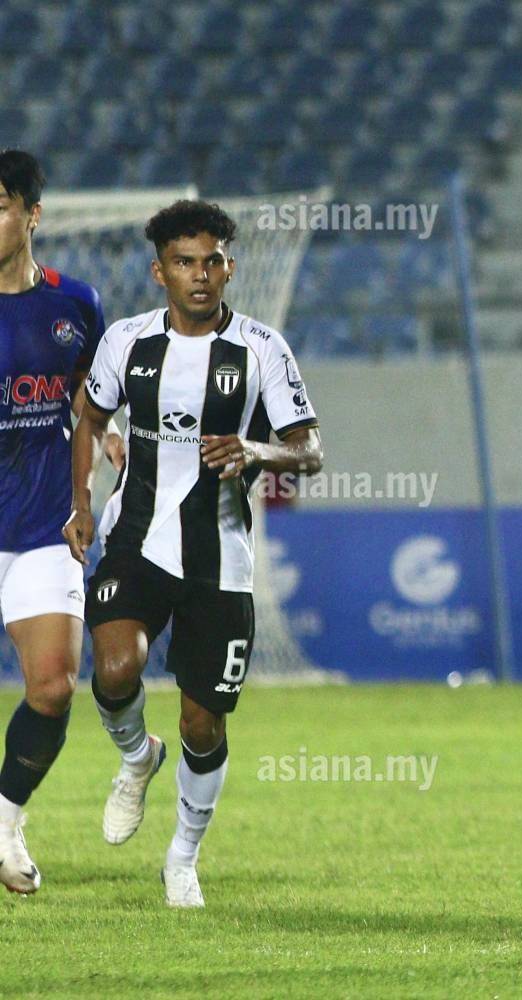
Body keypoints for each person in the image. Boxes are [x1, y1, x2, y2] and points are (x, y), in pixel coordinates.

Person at [64, 200, 324, 908]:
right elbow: (89, 418)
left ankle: (182, 857)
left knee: (202, 724)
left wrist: (256, 449)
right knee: (115, 668)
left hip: (221, 556)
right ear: (161, 273)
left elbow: (309, 450)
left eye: (212, 261)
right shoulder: (126, 342)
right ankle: (135, 757)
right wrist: (81, 503)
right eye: (184, 263)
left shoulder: (262, 349)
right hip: (136, 538)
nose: (200, 275)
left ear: (230, 268)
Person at [0, 149, 111, 894]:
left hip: (43, 521)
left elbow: (87, 401)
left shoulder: (76, 305)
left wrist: (104, 444)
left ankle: (4, 822)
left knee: (53, 686)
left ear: (32, 215)